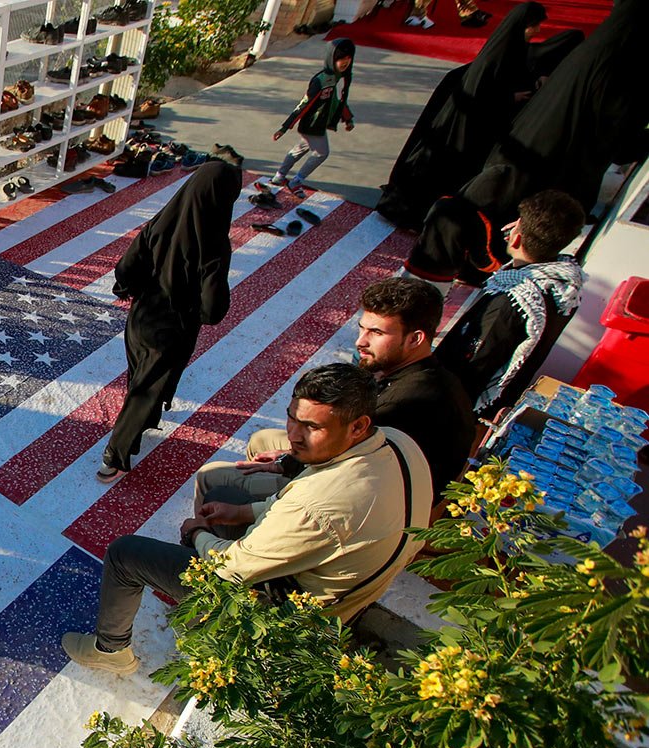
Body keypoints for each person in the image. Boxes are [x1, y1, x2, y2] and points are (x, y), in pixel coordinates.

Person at [62, 364, 430, 675]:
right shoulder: (397, 441)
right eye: (291, 417)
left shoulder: (317, 505)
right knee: (220, 491)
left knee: (125, 554)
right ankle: (200, 615)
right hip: (345, 590)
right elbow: (304, 504)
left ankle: (111, 652)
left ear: (357, 426)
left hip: (290, 615)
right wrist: (240, 512)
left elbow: (233, 567)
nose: (294, 436)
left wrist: (199, 534)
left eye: (312, 428)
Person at [405, 0, 648, 285]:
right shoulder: (623, 69)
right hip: (553, 161)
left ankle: (475, 266)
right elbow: (618, 136)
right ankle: (481, 268)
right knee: (512, 221)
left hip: (525, 148)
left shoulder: (592, 53)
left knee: (495, 212)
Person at [202, 278, 476, 510]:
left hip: (372, 503)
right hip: (363, 469)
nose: (361, 341)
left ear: (415, 339)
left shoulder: (409, 400)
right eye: (362, 328)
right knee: (262, 440)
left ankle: (219, 558)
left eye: (376, 332)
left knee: (212, 478)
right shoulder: (421, 373)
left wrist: (287, 464)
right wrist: (287, 458)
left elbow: (341, 461)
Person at [98, 149, 243, 483]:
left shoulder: (163, 220)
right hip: (172, 329)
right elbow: (212, 308)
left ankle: (140, 423)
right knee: (146, 390)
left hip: (140, 318)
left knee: (141, 380)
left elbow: (127, 265)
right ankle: (115, 455)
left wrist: (127, 288)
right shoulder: (213, 244)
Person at [377, 3, 549, 231]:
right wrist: (509, 98)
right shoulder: (497, 55)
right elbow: (480, 93)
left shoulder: (514, 50)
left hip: (479, 129)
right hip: (464, 130)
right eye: (533, 26)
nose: (536, 31)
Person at [433, 189, 585, 419]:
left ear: (516, 237)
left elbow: (473, 363)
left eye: (517, 224)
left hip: (460, 406)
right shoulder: (562, 284)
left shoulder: (512, 299)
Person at [269, 39, 355, 195]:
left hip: (318, 124)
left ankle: (279, 176)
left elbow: (337, 101)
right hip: (312, 124)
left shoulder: (335, 78)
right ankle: (296, 181)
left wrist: (347, 118)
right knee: (322, 153)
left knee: (299, 150)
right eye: (341, 58)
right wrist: (284, 127)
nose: (345, 62)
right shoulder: (320, 80)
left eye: (348, 59)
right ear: (332, 58)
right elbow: (304, 104)